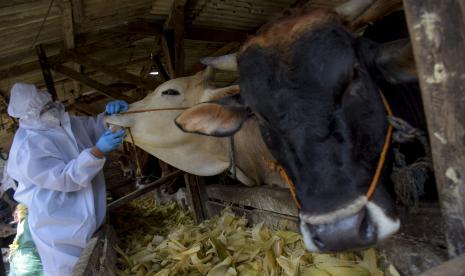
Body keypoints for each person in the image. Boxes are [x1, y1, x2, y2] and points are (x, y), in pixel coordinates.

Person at [6, 83, 128, 275]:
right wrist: (97, 151)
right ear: (30, 115)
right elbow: (64, 179)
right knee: (74, 270)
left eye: (49, 104)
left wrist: (107, 118)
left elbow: (90, 127)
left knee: (100, 262)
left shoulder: (63, 121)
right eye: (44, 109)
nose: (51, 110)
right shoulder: (27, 147)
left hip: (89, 213)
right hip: (59, 224)